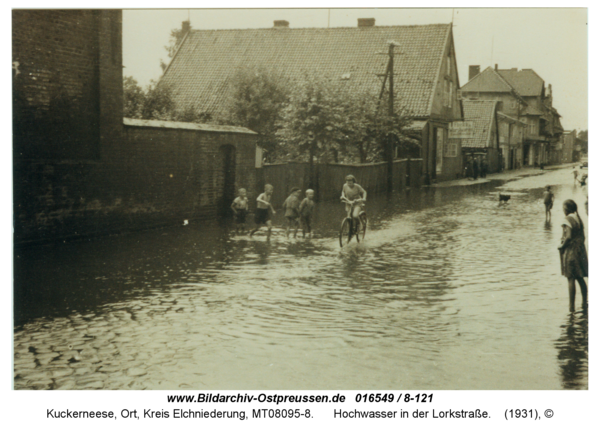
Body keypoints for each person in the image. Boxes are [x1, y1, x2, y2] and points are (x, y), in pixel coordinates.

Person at [558, 199, 588, 312]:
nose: (562, 210)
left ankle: (571, 307)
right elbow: (583, 237)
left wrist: (562, 246)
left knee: (570, 278)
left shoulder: (567, 219)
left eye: (563, 208)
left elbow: (568, 236)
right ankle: (585, 302)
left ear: (566, 209)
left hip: (571, 252)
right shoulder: (578, 219)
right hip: (580, 251)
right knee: (580, 277)